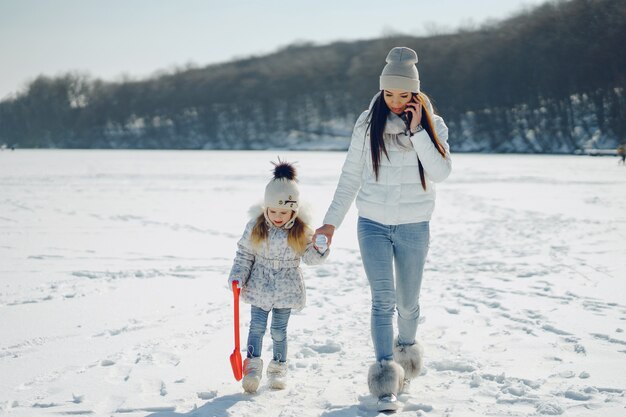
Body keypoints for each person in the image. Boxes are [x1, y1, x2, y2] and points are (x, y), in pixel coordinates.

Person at [314, 46, 451, 412]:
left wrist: (418, 130)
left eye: (403, 94)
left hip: (413, 226)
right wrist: (330, 223)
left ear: (415, 94)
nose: (394, 101)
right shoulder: (366, 123)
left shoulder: (433, 125)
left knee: (408, 305)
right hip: (372, 223)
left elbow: (441, 172)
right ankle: (385, 381)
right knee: (382, 301)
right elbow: (350, 177)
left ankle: (406, 351)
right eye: (388, 93)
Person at [228, 160, 329, 393]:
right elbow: (244, 254)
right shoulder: (256, 226)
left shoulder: (301, 230)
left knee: (278, 331)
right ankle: (252, 369)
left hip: (286, 286)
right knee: (256, 327)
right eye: (272, 211)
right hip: (259, 284)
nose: (277, 216)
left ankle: (278, 369)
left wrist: (320, 249)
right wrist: (238, 277)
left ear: (293, 209)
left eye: (283, 212)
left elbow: (310, 258)